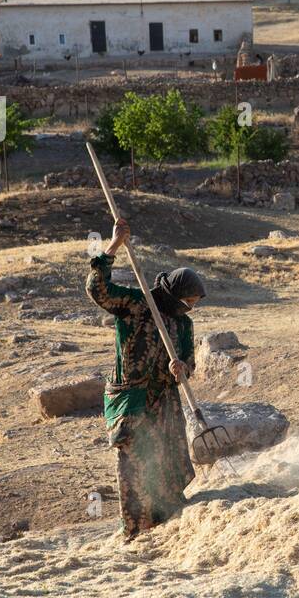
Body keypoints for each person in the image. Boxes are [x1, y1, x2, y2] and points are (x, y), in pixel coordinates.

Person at [86, 217, 204, 540]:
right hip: (132, 401)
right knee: (136, 465)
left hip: (163, 402)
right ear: (174, 293)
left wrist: (182, 369)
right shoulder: (139, 304)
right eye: (188, 301)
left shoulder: (183, 324)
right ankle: (136, 531)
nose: (190, 308)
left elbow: (189, 360)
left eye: (193, 304)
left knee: (166, 461)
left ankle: (165, 523)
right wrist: (113, 245)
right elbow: (97, 290)